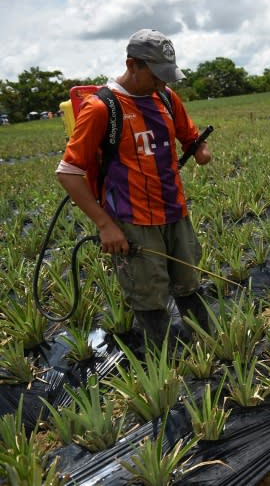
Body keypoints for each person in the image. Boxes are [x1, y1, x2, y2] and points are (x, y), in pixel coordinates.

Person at [56, 29, 212, 347]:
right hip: (133, 220)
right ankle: (169, 365)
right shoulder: (102, 109)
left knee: (188, 284)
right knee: (148, 296)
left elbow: (189, 135)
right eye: (156, 76)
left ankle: (206, 347)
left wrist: (199, 149)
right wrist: (105, 225)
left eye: (166, 77)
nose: (162, 84)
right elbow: (68, 173)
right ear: (132, 65)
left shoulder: (167, 98)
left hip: (175, 211)